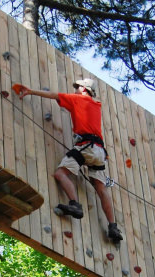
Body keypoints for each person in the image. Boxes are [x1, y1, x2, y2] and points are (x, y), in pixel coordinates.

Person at [16, 78, 123, 242]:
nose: (75, 89)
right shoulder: (96, 105)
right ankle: (113, 227)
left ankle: (75, 204)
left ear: (84, 89)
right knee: (101, 189)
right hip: (100, 151)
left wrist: (31, 91)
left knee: (60, 174)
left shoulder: (77, 99)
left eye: (78, 87)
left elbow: (53, 95)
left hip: (85, 147)